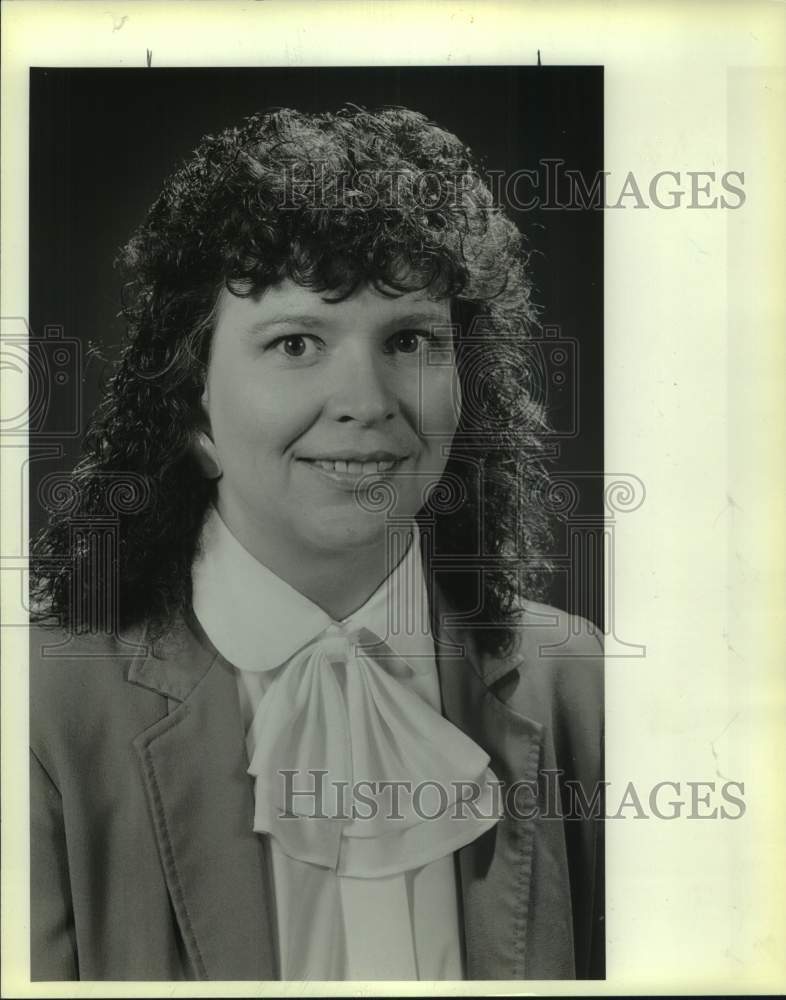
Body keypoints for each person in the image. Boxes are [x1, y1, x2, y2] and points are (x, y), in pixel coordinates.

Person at [29, 106, 603, 982]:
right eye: (296, 342)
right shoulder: (39, 712)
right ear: (192, 406)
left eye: (410, 340)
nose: (366, 400)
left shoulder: (579, 682)